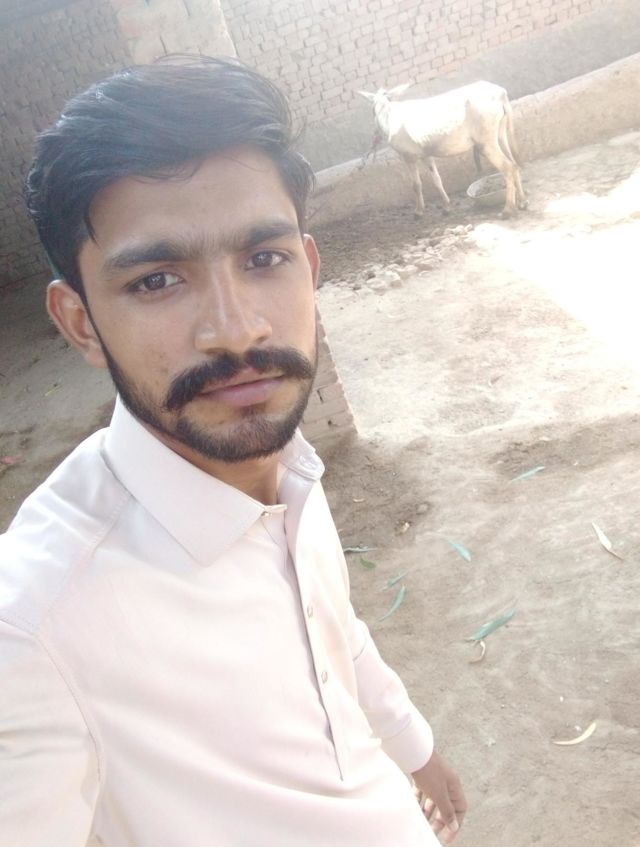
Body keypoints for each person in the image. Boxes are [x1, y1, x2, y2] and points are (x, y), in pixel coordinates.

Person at [0, 57, 466, 846]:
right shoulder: (33, 626)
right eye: (156, 281)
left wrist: (416, 749)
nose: (238, 328)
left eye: (263, 259)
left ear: (308, 269)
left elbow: (334, 626)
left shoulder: (288, 469)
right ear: (80, 322)